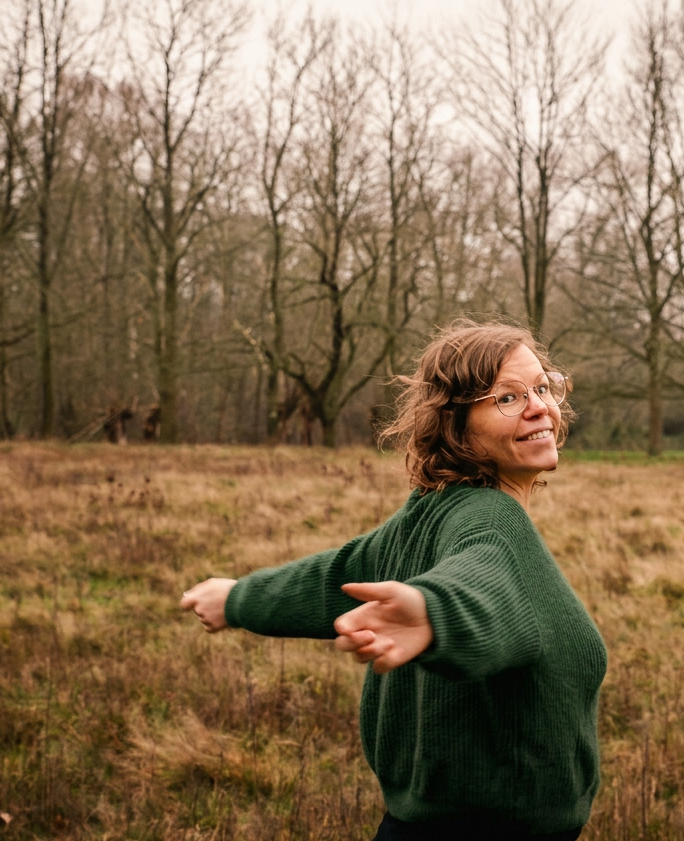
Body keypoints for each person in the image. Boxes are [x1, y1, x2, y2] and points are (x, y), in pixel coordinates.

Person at [180, 321, 608, 840]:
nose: (539, 406)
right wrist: (435, 612)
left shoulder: (430, 512)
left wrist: (235, 598)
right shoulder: (492, 523)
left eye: (543, 387)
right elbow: (482, 585)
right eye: (507, 398)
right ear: (456, 424)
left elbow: (332, 580)